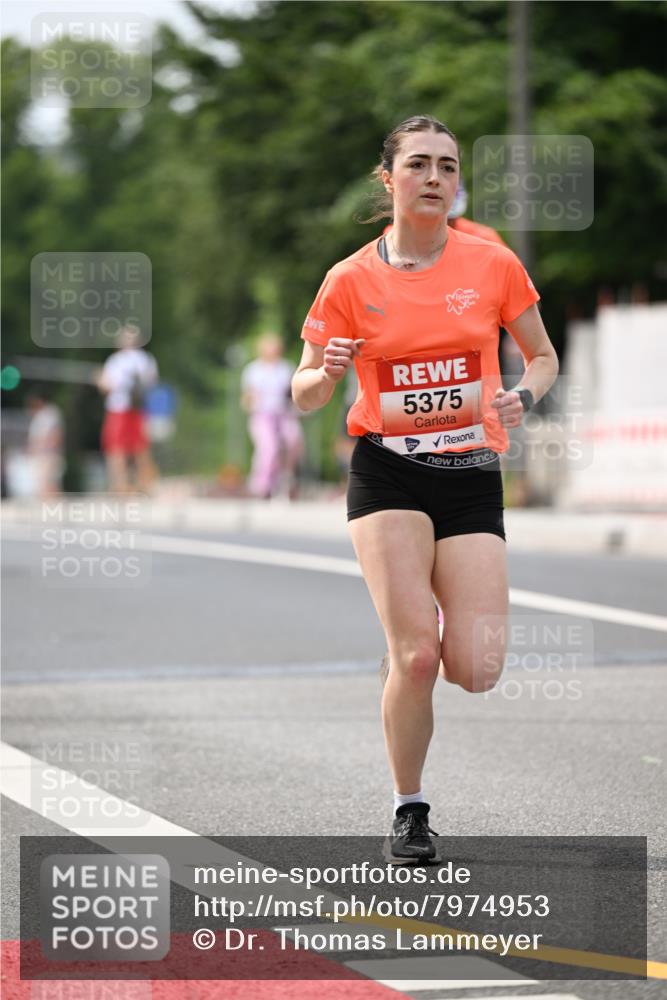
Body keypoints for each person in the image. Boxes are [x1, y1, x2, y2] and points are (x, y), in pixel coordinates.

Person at [292, 115, 558, 863]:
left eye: (446, 164)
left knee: (474, 667)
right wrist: (328, 371)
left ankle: (410, 646)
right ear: (390, 179)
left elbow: (540, 357)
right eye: (417, 164)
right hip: (388, 471)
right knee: (416, 658)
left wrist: (521, 398)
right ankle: (410, 809)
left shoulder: (491, 263)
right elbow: (303, 392)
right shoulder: (349, 279)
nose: (433, 176)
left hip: (471, 470)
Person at [241, 333, 304, 500]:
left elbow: (292, 393)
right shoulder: (253, 370)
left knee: (294, 440)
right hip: (262, 414)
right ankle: (262, 485)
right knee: (269, 448)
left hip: (284, 413)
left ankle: (288, 478)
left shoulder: (286, 368)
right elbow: (247, 396)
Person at [96, 324, 159, 494]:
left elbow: (107, 385)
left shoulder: (125, 360)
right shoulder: (141, 360)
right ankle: (137, 485)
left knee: (124, 449)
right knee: (133, 449)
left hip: (125, 409)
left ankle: (127, 486)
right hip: (129, 409)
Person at [26, 390, 65, 498]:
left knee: (49, 483)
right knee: (42, 484)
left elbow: (56, 434)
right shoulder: (38, 416)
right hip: (40, 455)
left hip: (49, 455)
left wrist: (47, 447)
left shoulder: (51, 413)